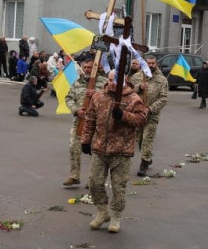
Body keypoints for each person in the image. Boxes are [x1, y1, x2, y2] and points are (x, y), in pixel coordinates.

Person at [81, 71, 148, 233]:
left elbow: (142, 120)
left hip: (121, 151)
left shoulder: (133, 99)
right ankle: (102, 212)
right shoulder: (98, 97)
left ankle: (116, 216)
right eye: (110, 80)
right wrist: (85, 140)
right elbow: (90, 119)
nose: (111, 83)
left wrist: (123, 115)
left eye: (115, 80)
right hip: (99, 148)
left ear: (124, 80)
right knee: (95, 183)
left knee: (119, 187)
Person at [63, 56, 105, 187]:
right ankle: (74, 176)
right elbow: (69, 98)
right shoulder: (77, 82)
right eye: (85, 67)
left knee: (95, 153)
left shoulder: (104, 83)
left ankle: (92, 179)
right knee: (74, 148)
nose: (87, 70)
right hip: (79, 121)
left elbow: (111, 101)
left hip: (97, 124)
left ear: (96, 68)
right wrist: (76, 110)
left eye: (89, 67)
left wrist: (96, 95)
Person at [129, 56, 169, 177]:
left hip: (152, 115)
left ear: (156, 64)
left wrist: (150, 109)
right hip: (138, 114)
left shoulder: (161, 80)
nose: (150, 65)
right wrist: (138, 87)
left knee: (147, 138)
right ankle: (147, 156)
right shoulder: (136, 77)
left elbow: (163, 98)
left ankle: (144, 164)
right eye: (148, 63)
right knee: (140, 140)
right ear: (144, 64)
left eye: (153, 63)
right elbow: (128, 92)